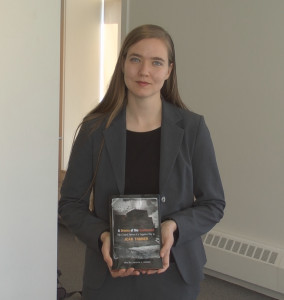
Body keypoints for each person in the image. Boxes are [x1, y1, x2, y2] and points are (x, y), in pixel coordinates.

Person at [59, 24, 225, 300]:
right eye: (135, 59)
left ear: (169, 70)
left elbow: (214, 203)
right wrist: (103, 236)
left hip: (175, 272)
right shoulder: (93, 130)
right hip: (110, 272)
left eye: (156, 62)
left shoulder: (193, 128)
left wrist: (174, 226)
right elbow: (70, 204)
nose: (144, 71)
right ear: (123, 63)